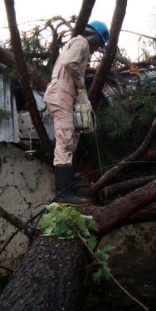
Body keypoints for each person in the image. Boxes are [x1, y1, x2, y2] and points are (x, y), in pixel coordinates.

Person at [44, 20, 110, 205]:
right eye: (98, 44)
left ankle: (69, 172)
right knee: (65, 139)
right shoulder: (81, 42)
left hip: (63, 96)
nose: (96, 49)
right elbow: (70, 63)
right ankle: (64, 195)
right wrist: (81, 84)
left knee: (71, 137)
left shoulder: (75, 43)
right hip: (61, 95)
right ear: (95, 37)